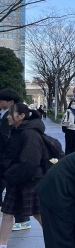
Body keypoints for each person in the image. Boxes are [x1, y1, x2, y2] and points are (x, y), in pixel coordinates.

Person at [0, 104, 46, 248]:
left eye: (11, 114)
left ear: (21, 116)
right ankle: (2, 247)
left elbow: (29, 162)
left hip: (30, 180)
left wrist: (10, 173)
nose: (7, 116)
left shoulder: (30, 133)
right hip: (18, 179)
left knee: (38, 213)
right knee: (7, 212)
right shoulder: (19, 130)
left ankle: (56, 244)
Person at [0, 88, 31, 232]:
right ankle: (22, 220)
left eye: (2, 100)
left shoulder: (12, 117)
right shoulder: (6, 114)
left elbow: (6, 138)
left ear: (11, 102)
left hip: (8, 160)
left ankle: (23, 220)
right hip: (8, 160)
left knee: (13, 191)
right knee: (13, 193)